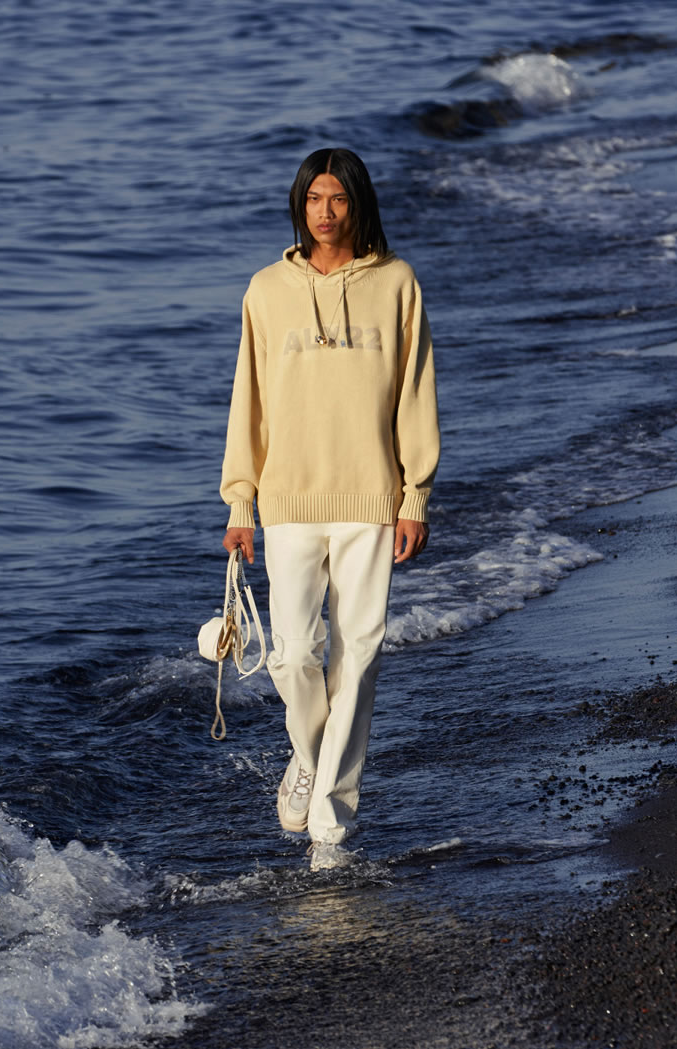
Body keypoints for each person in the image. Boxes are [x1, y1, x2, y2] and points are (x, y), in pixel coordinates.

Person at [220, 147, 440, 871]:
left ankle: (331, 827)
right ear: (300, 205)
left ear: (357, 204)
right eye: (314, 198)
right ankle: (310, 757)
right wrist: (240, 502)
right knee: (290, 655)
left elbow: (414, 392)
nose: (325, 211)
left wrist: (414, 494)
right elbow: (247, 402)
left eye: (338, 198)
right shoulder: (266, 290)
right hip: (286, 498)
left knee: (361, 652)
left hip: (371, 497)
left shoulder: (397, 282)